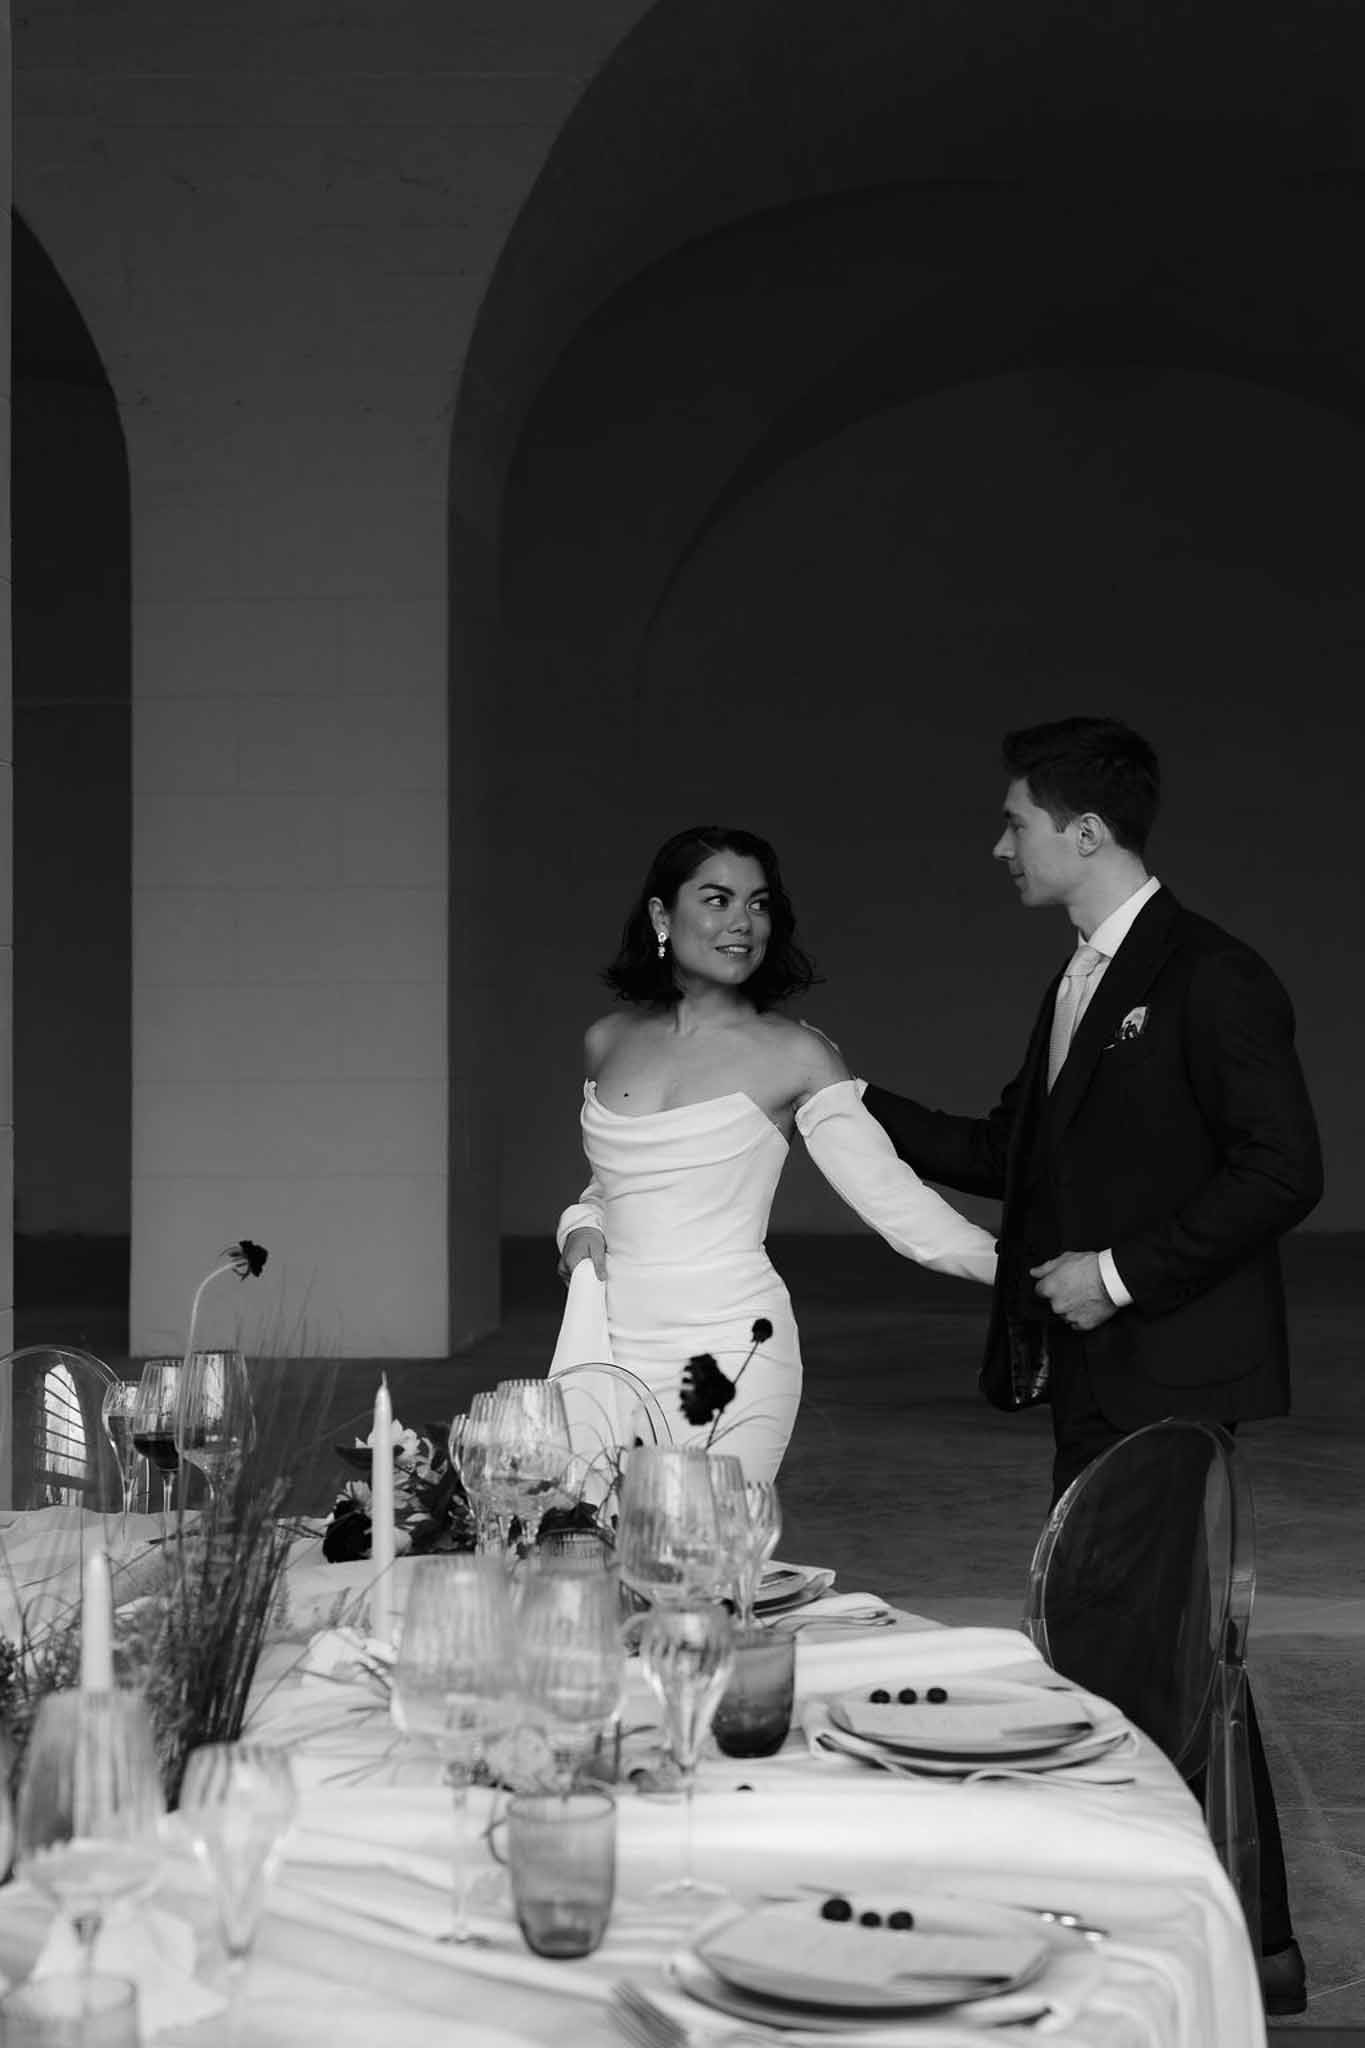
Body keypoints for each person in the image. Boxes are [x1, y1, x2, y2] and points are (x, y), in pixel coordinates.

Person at [862, 715, 1322, 2017]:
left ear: (1086, 830)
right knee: (1140, 1648)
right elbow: (1004, 1152)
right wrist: (837, 1096)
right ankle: (1250, 1941)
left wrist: (1118, 1272)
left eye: (1014, 822)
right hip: (1100, 1378)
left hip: (1171, 1375)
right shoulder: (1076, 978)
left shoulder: (1211, 974)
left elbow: (1286, 1169)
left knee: (1146, 1652)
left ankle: (1194, 1938)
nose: (997, 844)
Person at [552, 824, 997, 1483]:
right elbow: (611, 1187)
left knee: (713, 1540)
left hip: (734, 1344)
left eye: (757, 904)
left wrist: (1022, 1273)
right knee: (600, 1536)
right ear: (661, 916)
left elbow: (896, 1204)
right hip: (610, 1340)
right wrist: (578, 1226)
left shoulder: (798, 1054)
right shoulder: (606, 1040)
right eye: (717, 899)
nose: (742, 922)